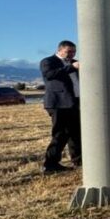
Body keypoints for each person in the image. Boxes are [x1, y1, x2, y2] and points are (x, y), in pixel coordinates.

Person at [39, 40, 82, 173]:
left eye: (74, 51)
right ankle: (50, 164)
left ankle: (79, 161)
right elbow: (50, 75)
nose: (71, 54)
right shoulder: (48, 61)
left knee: (75, 133)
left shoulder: (74, 62)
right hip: (58, 103)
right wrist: (72, 67)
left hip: (74, 102)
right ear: (60, 50)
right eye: (69, 51)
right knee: (60, 134)